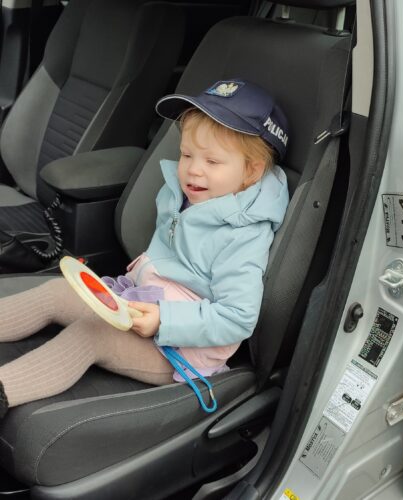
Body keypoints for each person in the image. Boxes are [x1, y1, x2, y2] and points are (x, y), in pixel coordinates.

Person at [0, 79, 289, 416]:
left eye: (212, 161)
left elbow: (237, 318)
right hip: (139, 305)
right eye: (187, 154)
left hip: (178, 350)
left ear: (252, 171)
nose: (193, 169)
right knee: (57, 292)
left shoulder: (243, 235)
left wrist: (164, 320)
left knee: (90, 335)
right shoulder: (187, 195)